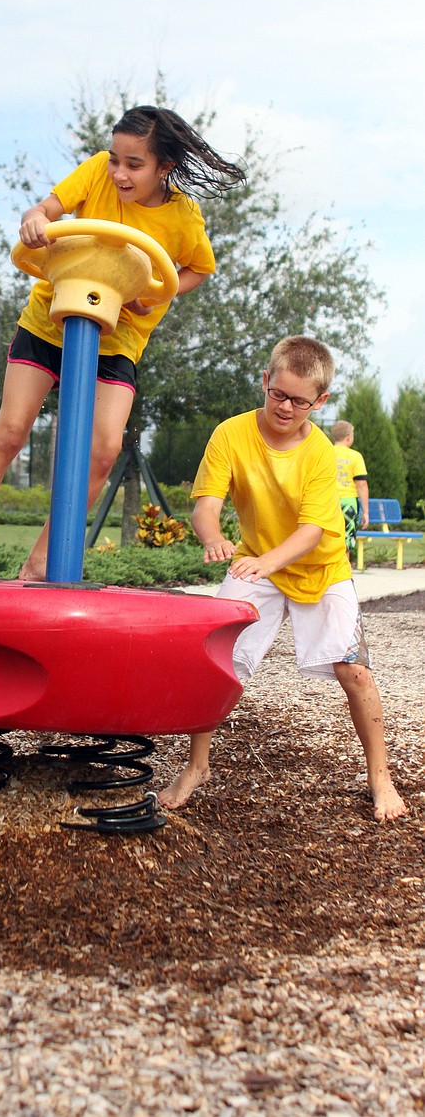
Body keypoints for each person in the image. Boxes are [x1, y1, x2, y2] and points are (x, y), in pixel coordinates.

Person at [0, 105, 245, 582]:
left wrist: (157, 293)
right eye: (115, 159)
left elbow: (198, 270)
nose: (118, 172)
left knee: (102, 451)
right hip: (50, 317)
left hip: (117, 336)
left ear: (164, 167)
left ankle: (38, 563)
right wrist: (35, 218)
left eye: (133, 164)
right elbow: (46, 211)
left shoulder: (183, 216)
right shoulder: (96, 172)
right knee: (12, 429)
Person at [158, 336, 406, 823]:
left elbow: (313, 531)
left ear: (321, 402)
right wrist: (213, 538)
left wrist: (266, 563)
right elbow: (206, 506)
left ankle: (380, 777)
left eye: (301, 400)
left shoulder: (319, 451)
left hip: (320, 566)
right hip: (256, 560)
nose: (287, 407)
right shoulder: (230, 433)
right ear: (266, 380)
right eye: (279, 394)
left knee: (354, 670)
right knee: (215, 658)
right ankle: (197, 767)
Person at [332, 419, 369, 557]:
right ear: (348, 438)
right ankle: (344, 575)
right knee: (345, 543)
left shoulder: (326, 452)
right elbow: (361, 484)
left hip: (328, 502)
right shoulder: (355, 456)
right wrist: (366, 512)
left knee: (327, 541)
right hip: (348, 504)